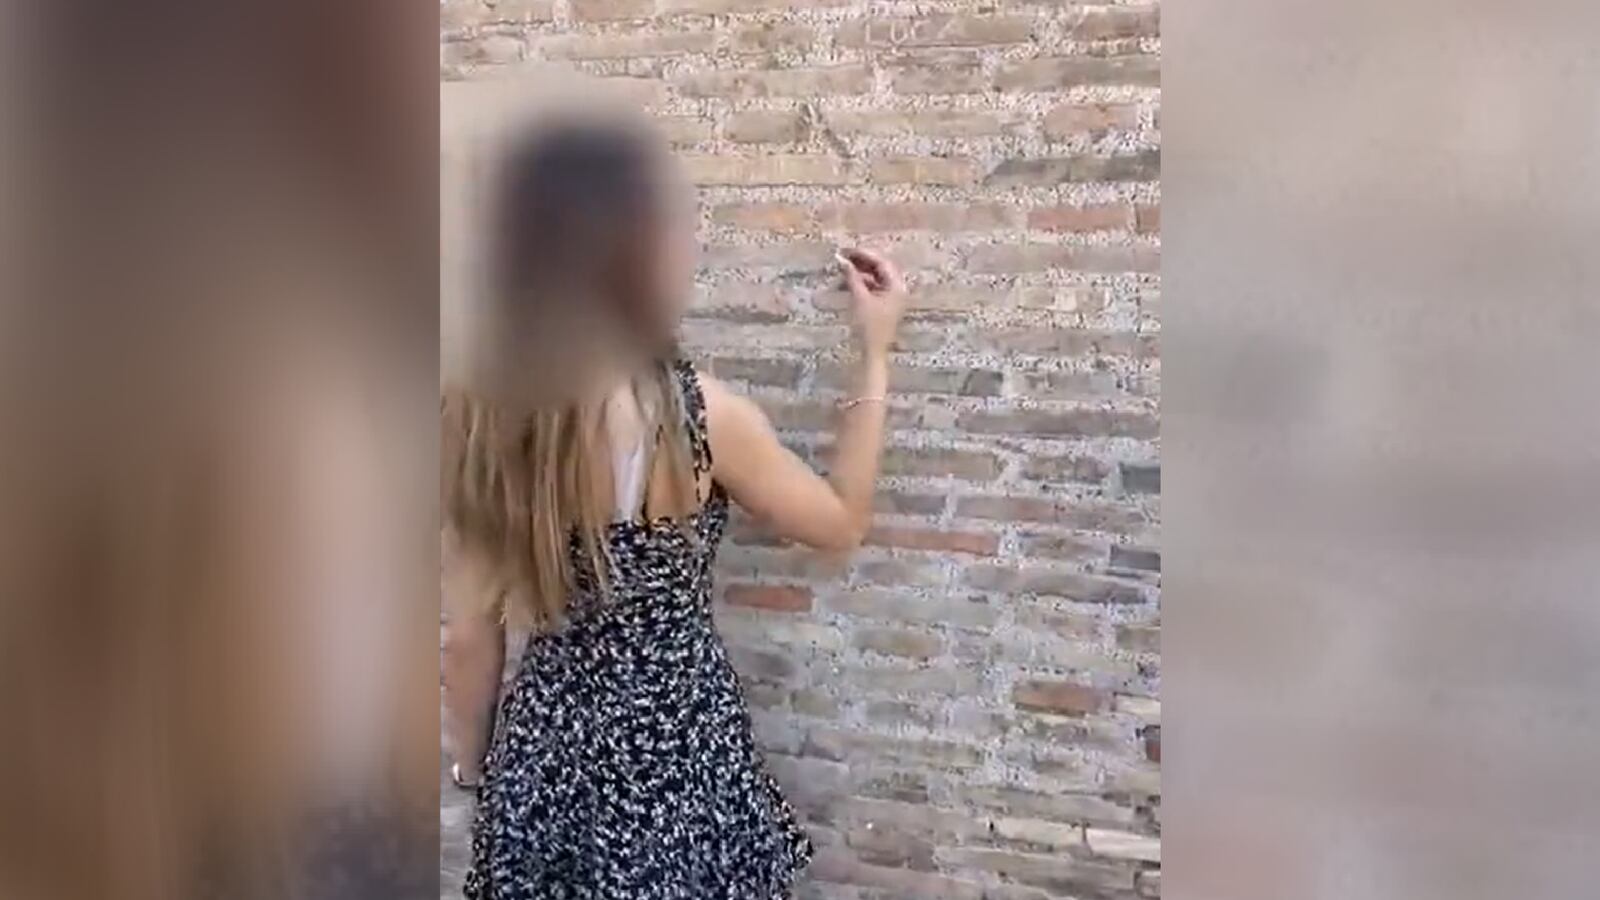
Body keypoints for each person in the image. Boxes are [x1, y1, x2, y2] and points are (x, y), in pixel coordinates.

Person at [441, 110, 908, 900]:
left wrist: (475, 764)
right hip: (682, 752)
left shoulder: (481, 422)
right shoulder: (699, 418)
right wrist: (874, 357)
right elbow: (841, 524)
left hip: (546, 762)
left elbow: (465, 640)